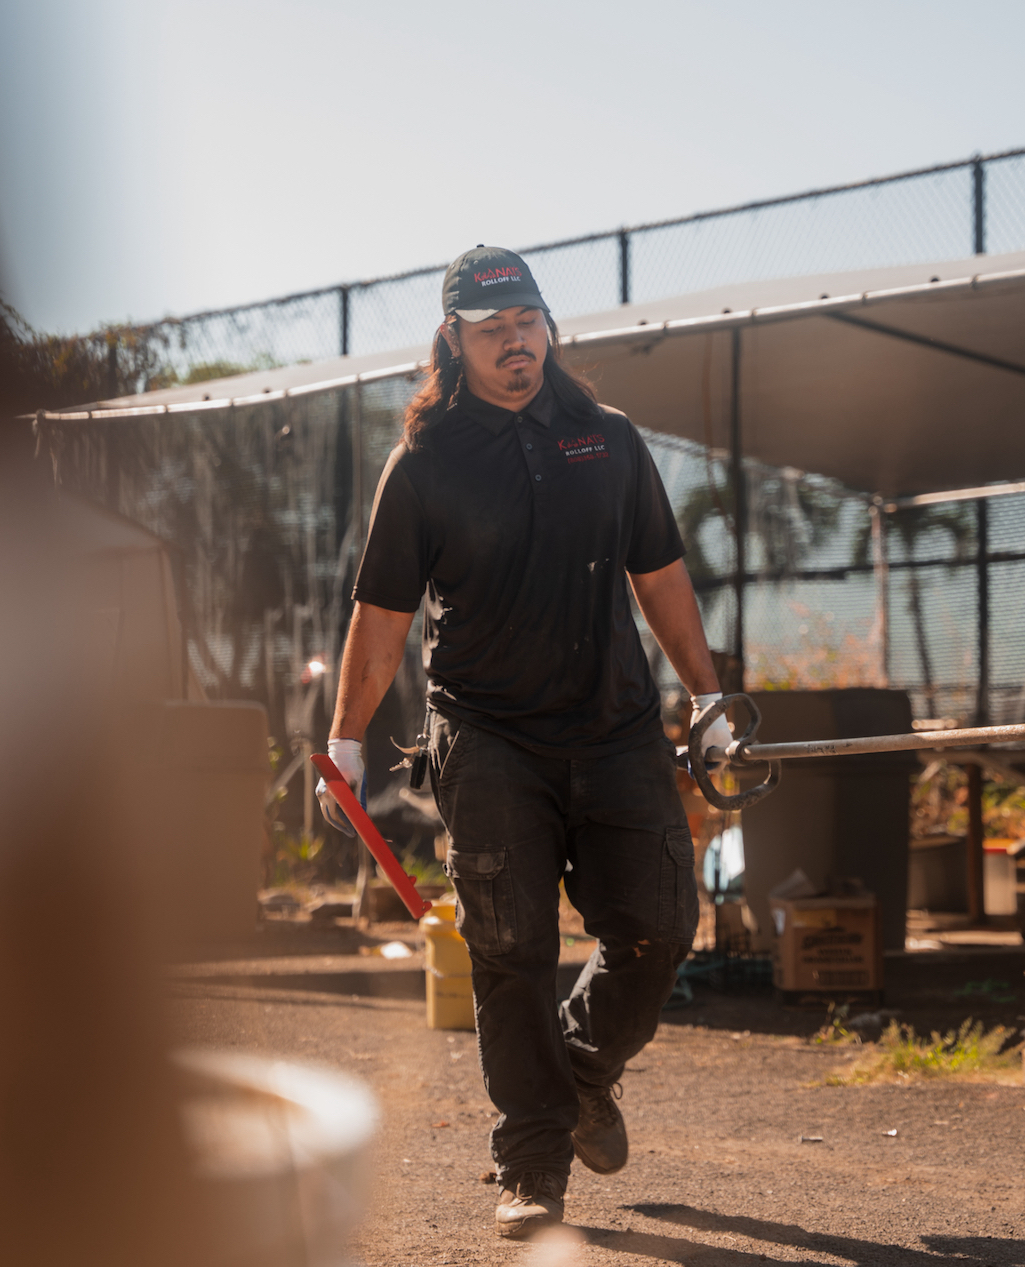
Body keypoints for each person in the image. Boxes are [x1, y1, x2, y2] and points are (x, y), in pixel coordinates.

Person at [317, 245, 724, 1239]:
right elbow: (380, 620)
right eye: (494, 329)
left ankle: (581, 1067)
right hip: (489, 732)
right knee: (511, 949)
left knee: (661, 925)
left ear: (550, 327)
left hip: (617, 724)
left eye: (529, 322)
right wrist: (345, 742)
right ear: (454, 340)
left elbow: (661, 578)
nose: (517, 343)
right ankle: (532, 1162)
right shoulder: (426, 464)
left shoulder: (607, 440)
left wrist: (708, 700)